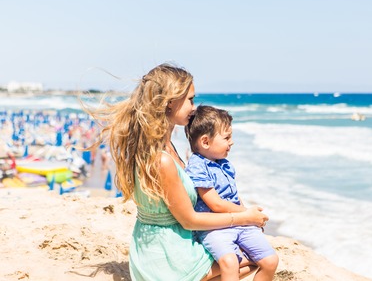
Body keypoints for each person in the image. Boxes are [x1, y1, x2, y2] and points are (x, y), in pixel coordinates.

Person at [83, 63, 268, 281]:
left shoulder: (163, 147)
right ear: (170, 103)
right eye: (190, 99)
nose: (194, 107)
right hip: (168, 255)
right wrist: (243, 217)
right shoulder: (162, 159)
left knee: (249, 259)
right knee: (258, 260)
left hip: (162, 245)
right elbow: (189, 221)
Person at [185, 105, 279, 281]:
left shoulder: (224, 163)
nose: (232, 142)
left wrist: (251, 220)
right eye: (227, 137)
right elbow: (216, 204)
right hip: (214, 227)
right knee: (230, 262)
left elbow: (234, 195)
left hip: (239, 223)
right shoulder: (197, 165)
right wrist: (247, 214)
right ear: (205, 142)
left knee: (270, 260)